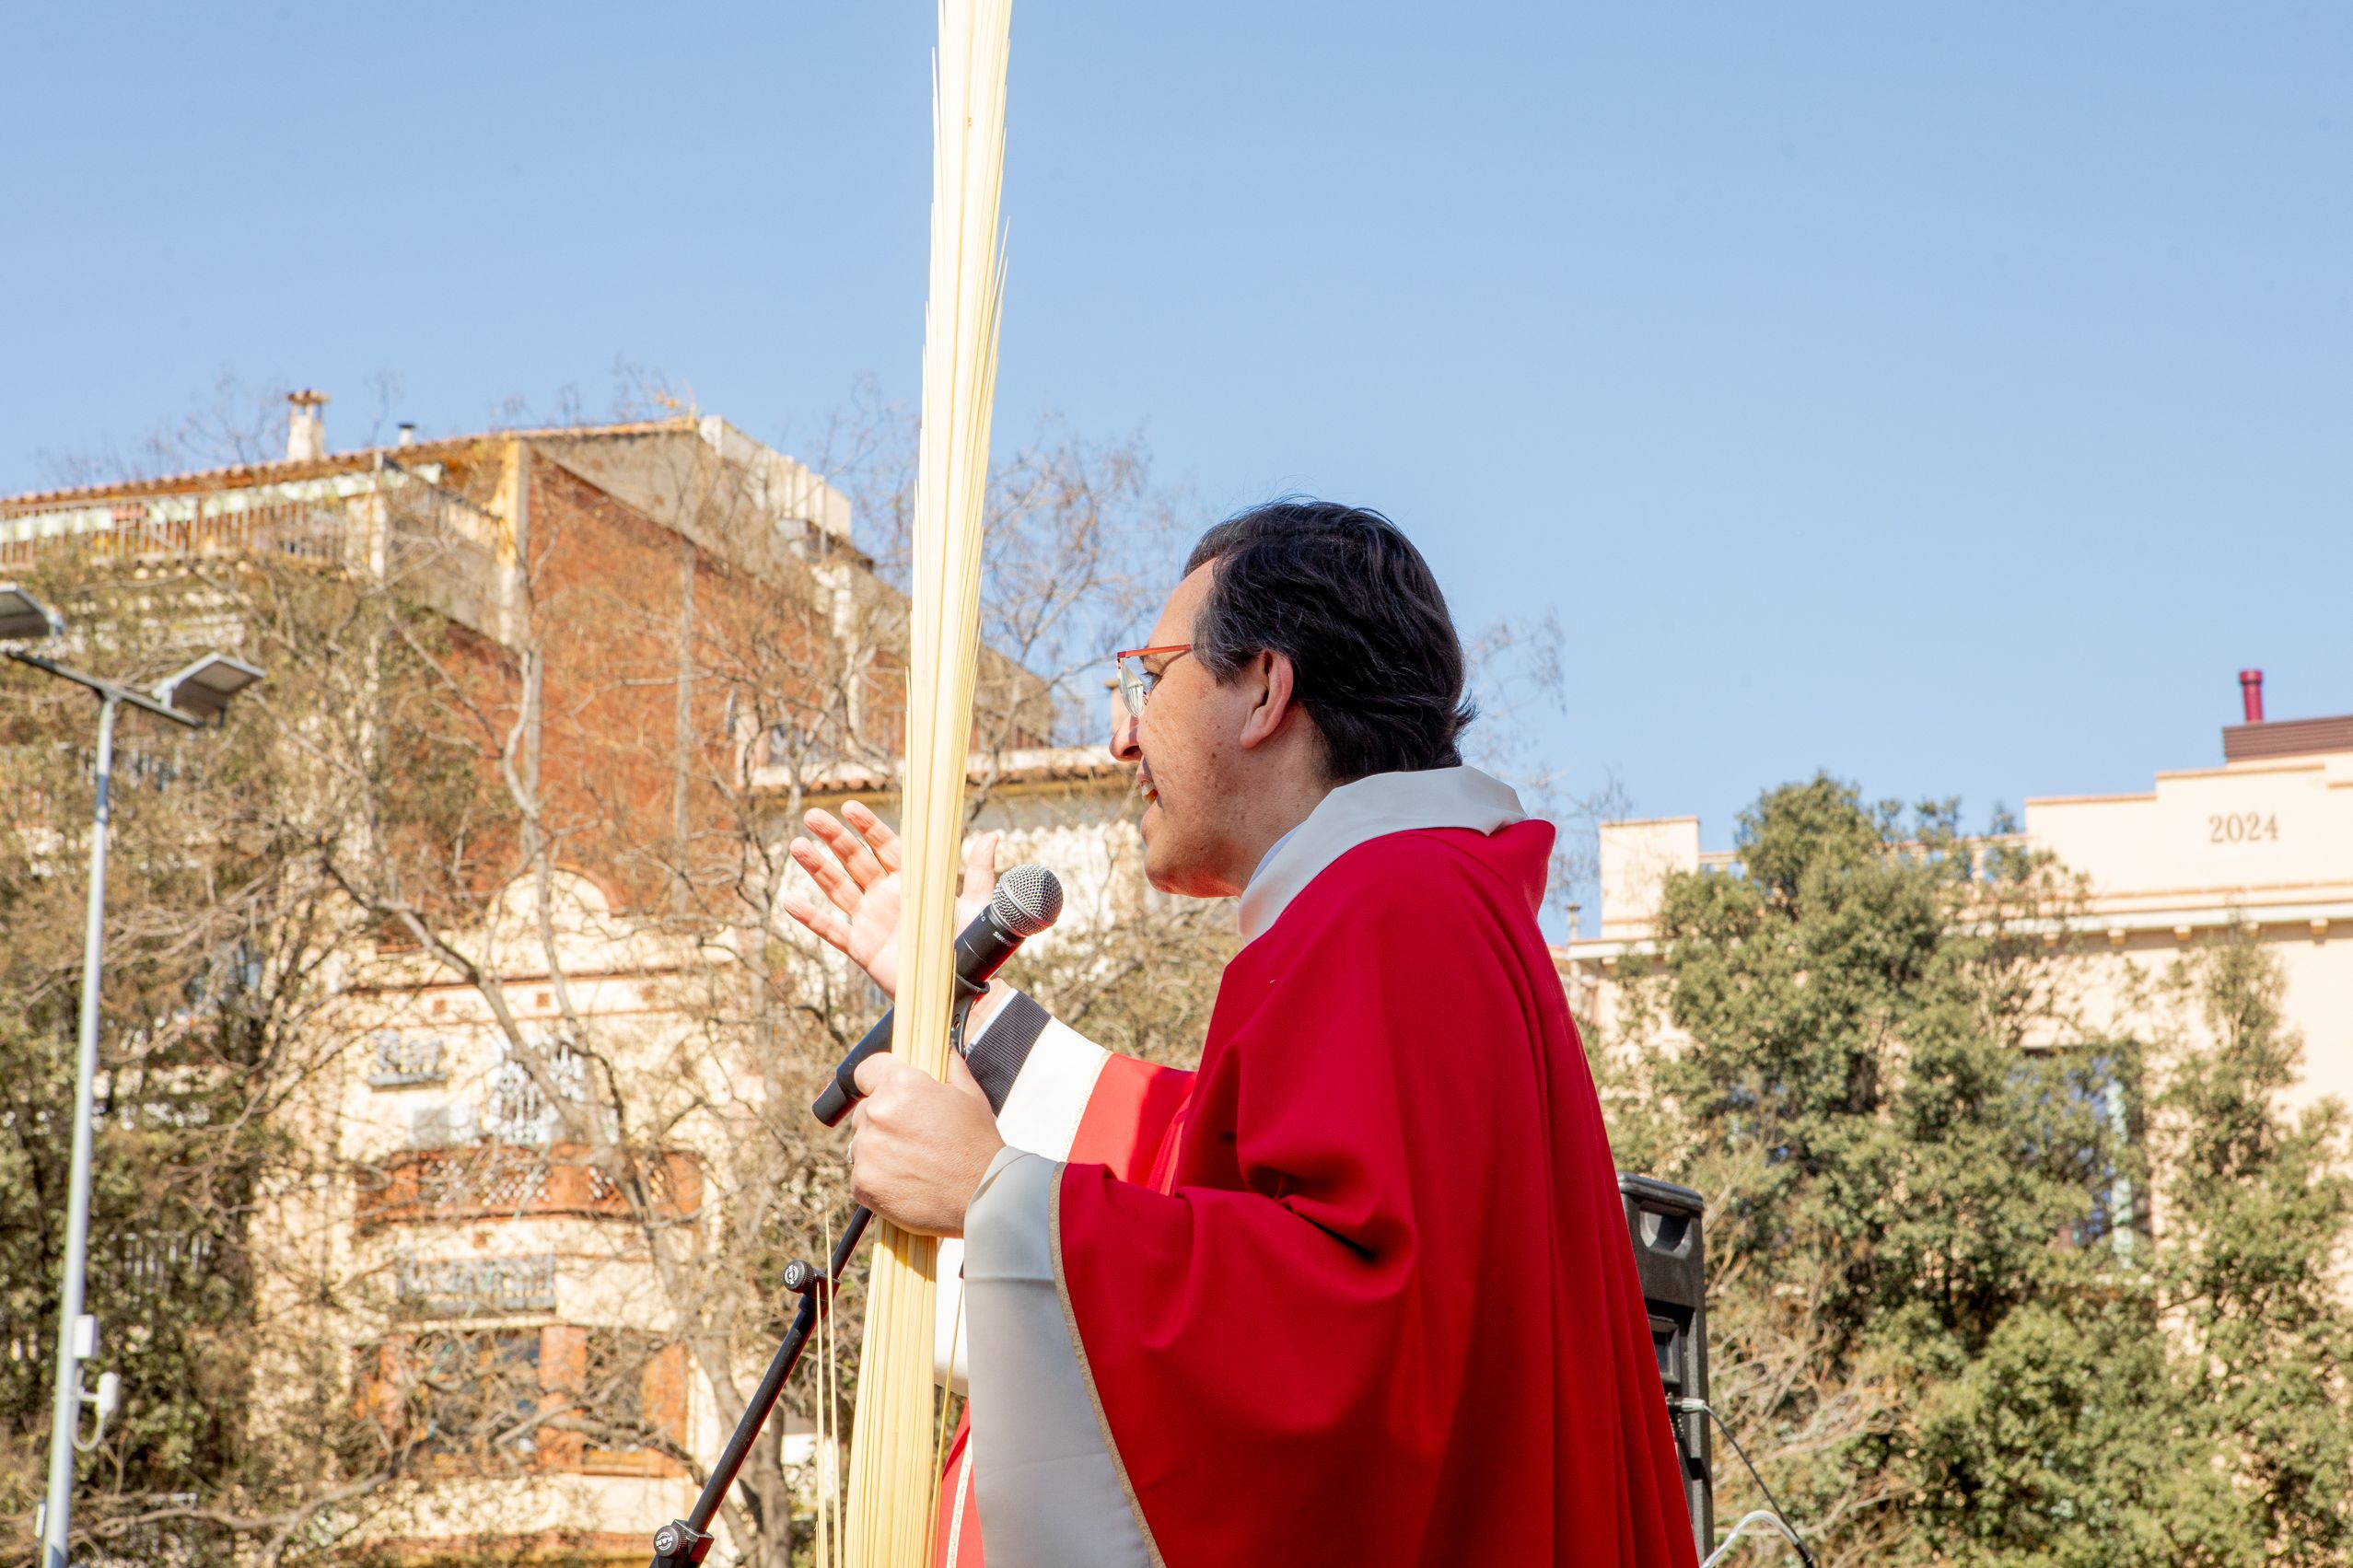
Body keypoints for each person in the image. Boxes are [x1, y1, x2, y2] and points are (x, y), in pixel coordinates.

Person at [783, 501, 1697, 1568]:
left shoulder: (1392, 906)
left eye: (1149, 677)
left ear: (1264, 686)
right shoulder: (1411, 900)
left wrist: (992, 1194)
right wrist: (978, 1016)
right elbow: (1201, 1177)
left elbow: (1349, 1326)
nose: (1120, 732)